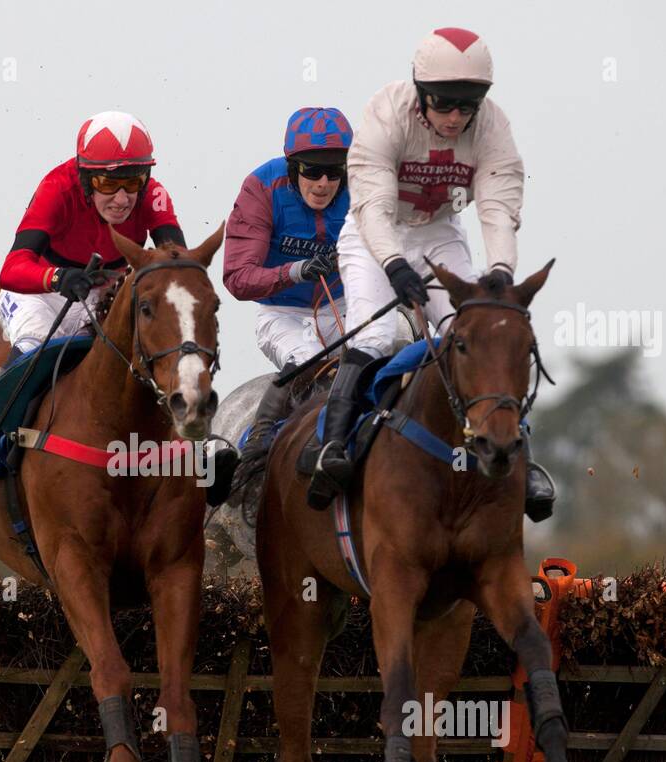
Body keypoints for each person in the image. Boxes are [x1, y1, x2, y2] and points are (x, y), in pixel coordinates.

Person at [307, 27, 556, 520]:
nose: (455, 117)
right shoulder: (386, 112)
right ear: (420, 92)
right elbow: (373, 208)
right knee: (376, 336)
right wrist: (394, 264)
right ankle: (331, 447)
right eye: (444, 104)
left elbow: (499, 208)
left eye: (468, 106)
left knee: (473, 334)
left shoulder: (492, 128)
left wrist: (501, 273)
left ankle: (518, 457)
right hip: (373, 233)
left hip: (440, 233)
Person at [0, 110, 188, 508]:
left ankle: (192, 440)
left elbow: (175, 264)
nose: (123, 197)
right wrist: (59, 279)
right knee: (38, 342)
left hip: (106, 287)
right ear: (83, 178)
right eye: (107, 182)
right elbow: (14, 267)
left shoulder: (154, 195)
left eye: (132, 181)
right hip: (41, 290)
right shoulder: (55, 189)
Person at [222, 107, 352, 455]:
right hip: (283, 313)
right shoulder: (262, 187)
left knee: (396, 340)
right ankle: (257, 445)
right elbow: (237, 279)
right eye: (312, 171)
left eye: (333, 172)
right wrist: (296, 270)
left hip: (344, 306)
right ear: (293, 168)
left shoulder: (365, 187)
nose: (323, 183)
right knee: (309, 361)